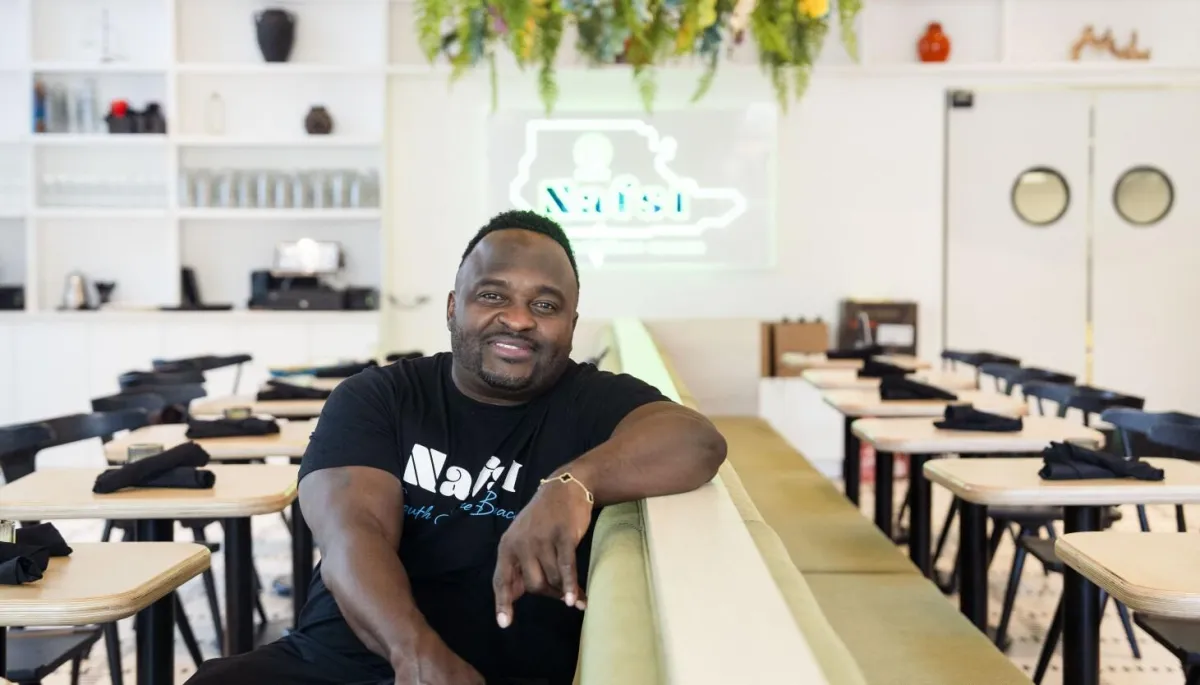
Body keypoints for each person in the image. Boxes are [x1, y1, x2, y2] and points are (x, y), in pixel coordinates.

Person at [185, 210, 727, 685]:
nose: (518, 319)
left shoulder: (591, 402)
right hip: (347, 660)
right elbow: (353, 535)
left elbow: (697, 442)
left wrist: (572, 486)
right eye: (493, 295)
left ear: (572, 325)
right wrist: (416, 653)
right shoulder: (379, 397)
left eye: (545, 304)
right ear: (452, 306)